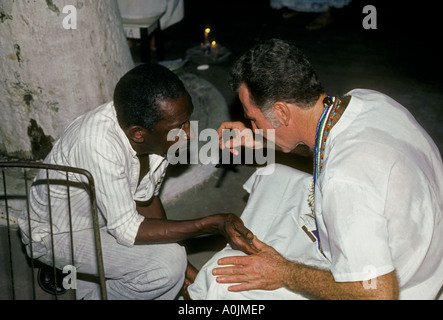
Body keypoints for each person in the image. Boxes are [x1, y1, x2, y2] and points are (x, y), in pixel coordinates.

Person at [188, 39, 443, 300]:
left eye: (253, 119)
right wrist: (259, 138)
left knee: (226, 285)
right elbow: (321, 141)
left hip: (404, 286)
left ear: (281, 113)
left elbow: (379, 295)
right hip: (427, 247)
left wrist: (283, 272)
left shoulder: (343, 180)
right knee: (273, 175)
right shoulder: (367, 99)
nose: (252, 126)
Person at [18, 63, 255, 300]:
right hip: (58, 233)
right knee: (166, 267)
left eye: (187, 120)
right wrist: (211, 224)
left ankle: (93, 277)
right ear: (138, 133)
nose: (190, 133)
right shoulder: (97, 143)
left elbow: (145, 199)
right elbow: (127, 228)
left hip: (103, 219)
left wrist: (184, 266)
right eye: (179, 127)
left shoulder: (157, 135)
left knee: (173, 263)